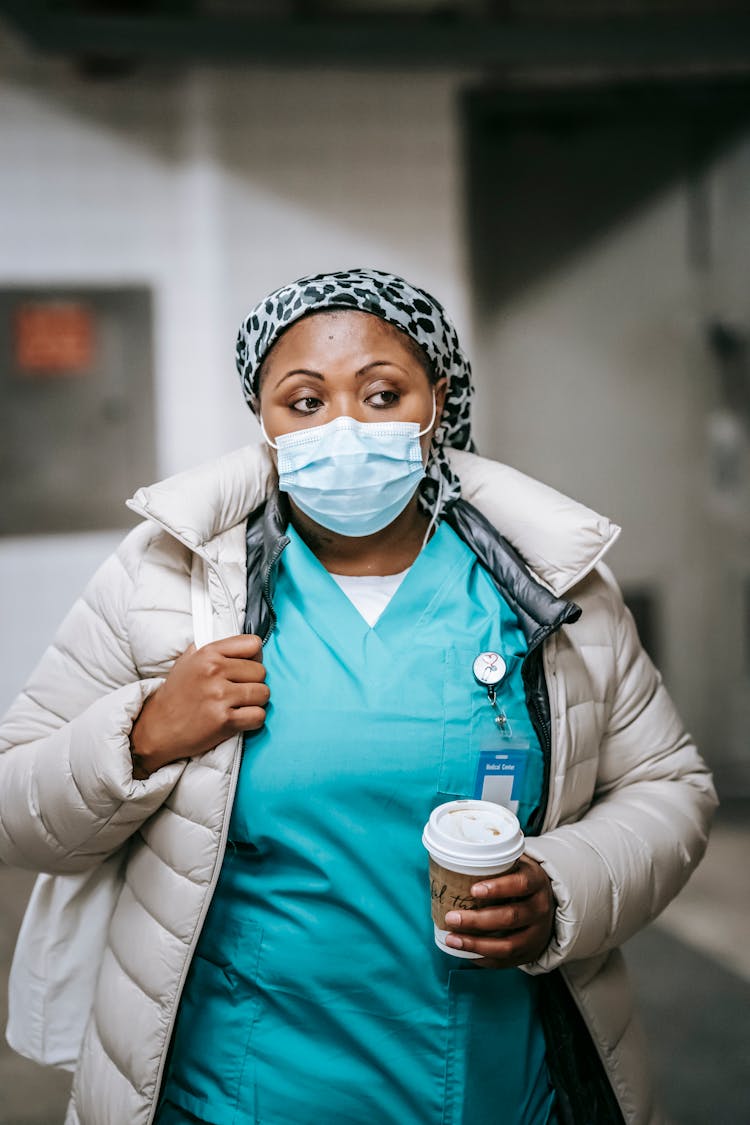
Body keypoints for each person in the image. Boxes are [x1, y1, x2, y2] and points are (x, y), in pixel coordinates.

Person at [1, 268, 716, 1125]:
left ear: (436, 405)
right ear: (264, 424)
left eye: (381, 394)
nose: (342, 427)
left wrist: (562, 889)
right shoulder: (167, 579)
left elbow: (669, 788)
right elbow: (15, 798)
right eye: (303, 402)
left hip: (496, 1086)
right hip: (242, 1090)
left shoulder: (546, 585)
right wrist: (144, 735)